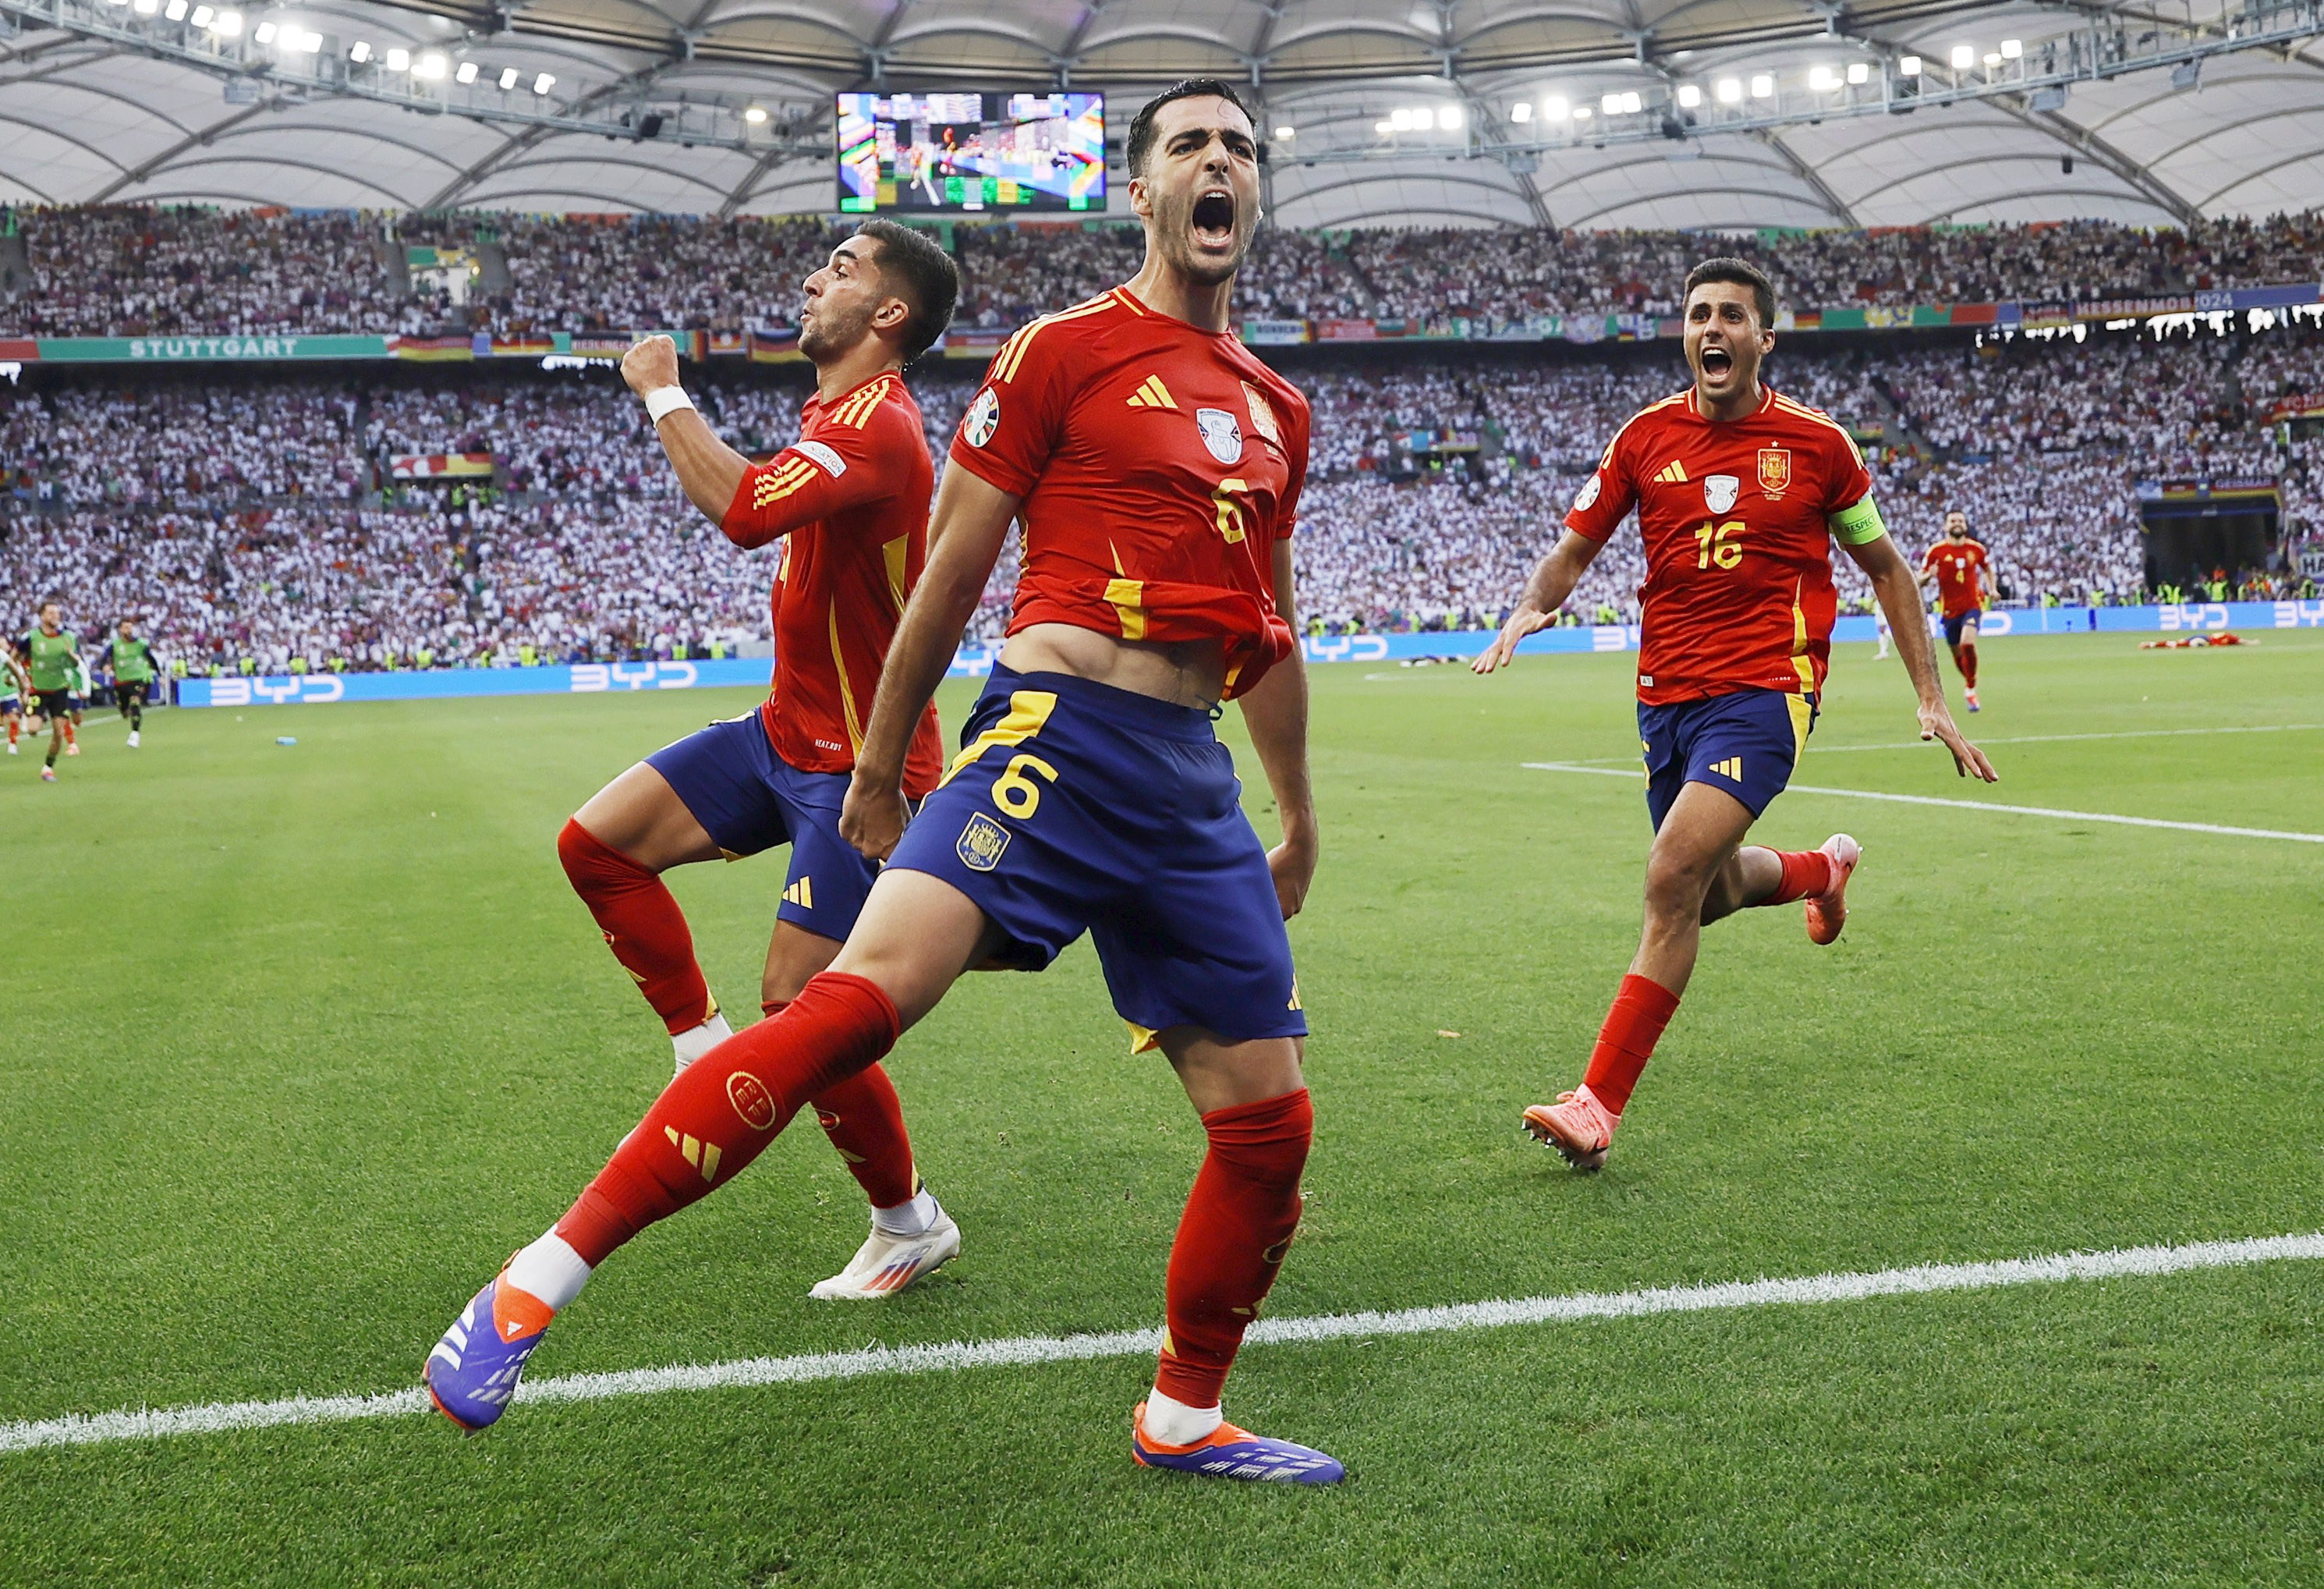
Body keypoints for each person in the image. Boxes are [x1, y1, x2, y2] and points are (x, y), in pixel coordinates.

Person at [424, 78, 1343, 1484]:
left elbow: (1266, 629)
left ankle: (1181, 1412)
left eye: (1239, 149)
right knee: (840, 1011)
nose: (1219, 166)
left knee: (1270, 1126)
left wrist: (1294, 809)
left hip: (1187, 783)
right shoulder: (1063, 350)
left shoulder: (1281, 406)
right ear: (1143, 193)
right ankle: (536, 1279)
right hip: (1055, 735)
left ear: (1255, 193)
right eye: (1189, 148)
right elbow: (954, 574)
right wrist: (877, 761)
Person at [1472, 257, 1996, 1172]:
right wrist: (1529, 606)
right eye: (1697, 315)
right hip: (1663, 699)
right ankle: (1818, 872)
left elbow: (1886, 570)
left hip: (1764, 692)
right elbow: (1573, 549)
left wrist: (1928, 696)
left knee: (1669, 877)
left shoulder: (1816, 445)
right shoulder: (1643, 438)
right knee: (1706, 895)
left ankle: (1597, 1104)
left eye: (1730, 317)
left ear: (1763, 338)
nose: (1711, 329)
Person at [544, 220, 965, 1310]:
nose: (816, 276)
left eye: (845, 267)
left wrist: (660, 390)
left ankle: (906, 1219)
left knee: (803, 1005)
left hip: (863, 767)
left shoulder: (881, 427)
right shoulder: (834, 412)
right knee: (595, 845)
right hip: (785, 734)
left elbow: (741, 511)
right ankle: (699, 1047)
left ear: (890, 315)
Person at [1919, 509, 1990, 711]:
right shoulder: (1936, 551)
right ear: (1946, 526)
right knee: (1958, 655)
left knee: (1967, 643)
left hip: (1973, 606)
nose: (1957, 523)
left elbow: (1987, 568)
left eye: (1960, 520)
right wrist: (1927, 577)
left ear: (1966, 525)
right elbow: (1919, 580)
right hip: (1949, 611)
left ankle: (1970, 688)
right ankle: (1970, 680)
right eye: (1953, 521)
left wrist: (1991, 589)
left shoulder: (1976, 549)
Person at [20, 602, 82, 782]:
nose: (56, 616)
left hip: (60, 690)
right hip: (38, 690)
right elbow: (16, 657)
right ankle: (33, 714)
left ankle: (48, 768)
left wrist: (73, 657)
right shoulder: (31, 637)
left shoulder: (69, 637)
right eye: (51, 613)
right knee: (32, 730)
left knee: (58, 732)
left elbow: (77, 663)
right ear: (42, 616)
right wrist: (22, 679)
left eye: (58, 613)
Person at [98, 617, 158, 747]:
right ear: (120, 630)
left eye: (130, 627)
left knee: (135, 701)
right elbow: (103, 658)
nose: (129, 630)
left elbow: (151, 659)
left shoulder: (141, 644)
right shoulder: (114, 645)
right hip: (121, 681)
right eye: (126, 627)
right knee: (125, 711)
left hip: (137, 678)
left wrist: (159, 674)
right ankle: (126, 713)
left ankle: (135, 734)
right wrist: (104, 666)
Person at [1, 635, 28, 757]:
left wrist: (22, 689)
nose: (7, 646)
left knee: (13, 718)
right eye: (4, 643)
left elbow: (20, 677)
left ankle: (13, 744)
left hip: (10, 694)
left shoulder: (12, 662)